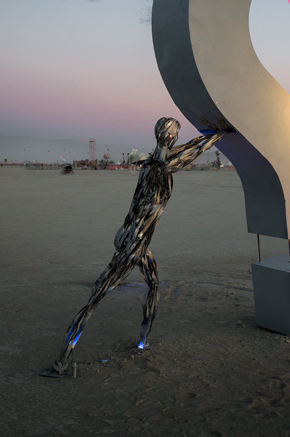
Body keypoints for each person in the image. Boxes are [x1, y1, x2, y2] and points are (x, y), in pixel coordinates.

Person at [41, 117, 228, 377]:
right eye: (175, 133)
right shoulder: (163, 164)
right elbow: (194, 150)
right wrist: (219, 134)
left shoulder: (150, 162)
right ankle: (61, 361)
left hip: (133, 237)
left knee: (153, 284)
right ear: (171, 136)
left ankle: (143, 340)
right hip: (135, 242)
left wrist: (213, 135)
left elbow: (186, 150)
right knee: (96, 297)